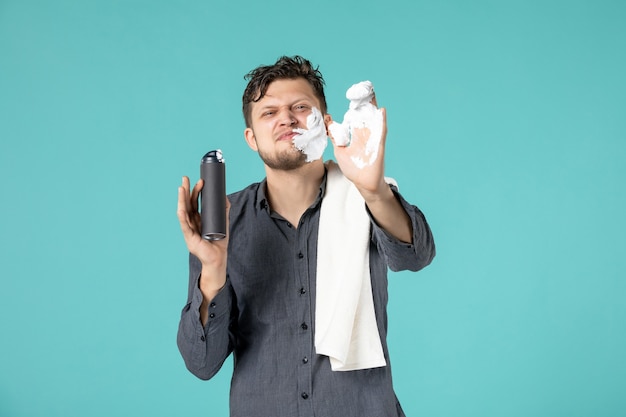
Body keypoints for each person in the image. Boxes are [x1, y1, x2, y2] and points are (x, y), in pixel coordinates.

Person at [176, 55, 435, 417]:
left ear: (326, 123)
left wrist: (375, 191)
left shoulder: (365, 196)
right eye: (269, 112)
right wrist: (213, 270)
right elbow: (202, 362)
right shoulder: (223, 224)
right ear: (251, 138)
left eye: (300, 106)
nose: (286, 118)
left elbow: (415, 255)